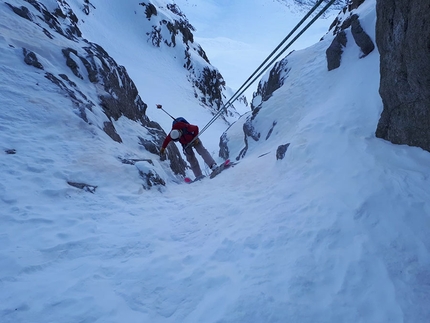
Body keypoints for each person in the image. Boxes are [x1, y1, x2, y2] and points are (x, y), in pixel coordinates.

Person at [160, 115, 217, 179]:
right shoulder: (173, 134)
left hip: (193, 138)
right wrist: (163, 148)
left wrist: (196, 138)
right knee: (191, 158)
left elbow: (196, 128)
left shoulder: (187, 127)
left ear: (180, 133)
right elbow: (167, 140)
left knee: (202, 150)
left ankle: (213, 165)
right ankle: (198, 175)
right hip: (185, 144)